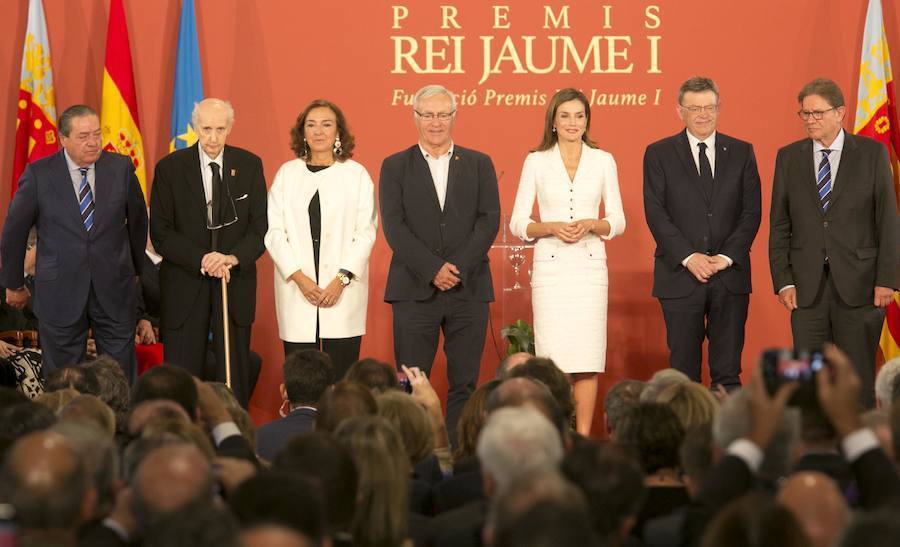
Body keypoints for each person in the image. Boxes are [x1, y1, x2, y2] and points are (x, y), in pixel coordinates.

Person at [379, 84, 500, 439]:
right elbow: (394, 225)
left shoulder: (479, 163)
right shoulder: (395, 165)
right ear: (415, 118)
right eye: (427, 114)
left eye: (442, 114)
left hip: (469, 288)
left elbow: (488, 220)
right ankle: (414, 453)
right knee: (409, 381)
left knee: (465, 381)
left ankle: (458, 451)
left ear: (454, 117)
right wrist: (433, 269)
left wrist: (455, 269)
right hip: (413, 290)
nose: (435, 122)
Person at [769, 78, 899, 408]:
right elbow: (780, 224)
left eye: (817, 113)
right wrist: (783, 281)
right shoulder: (788, 157)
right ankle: (811, 449)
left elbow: (887, 219)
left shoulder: (871, 153)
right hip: (806, 290)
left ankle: (860, 451)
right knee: (805, 382)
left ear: (840, 112)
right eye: (804, 114)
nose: (810, 120)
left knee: (857, 381)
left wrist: (887, 279)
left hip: (861, 286)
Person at [0, 104, 147, 380]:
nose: (93, 142)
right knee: (64, 379)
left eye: (96, 133)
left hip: (115, 289)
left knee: (119, 375)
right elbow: (14, 232)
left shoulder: (121, 168)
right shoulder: (39, 174)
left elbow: (138, 223)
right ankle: (68, 425)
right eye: (83, 136)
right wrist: (13, 283)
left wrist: (136, 270)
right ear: (63, 139)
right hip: (60, 291)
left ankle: (118, 424)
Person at [509, 87, 625, 436]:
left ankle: (583, 438)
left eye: (579, 115)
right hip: (552, 271)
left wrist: (594, 223)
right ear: (554, 122)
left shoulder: (603, 160)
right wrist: (550, 228)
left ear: (587, 120)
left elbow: (618, 220)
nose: (573, 122)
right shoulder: (536, 161)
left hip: (589, 272)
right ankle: (555, 434)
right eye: (565, 116)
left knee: (588, 361)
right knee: (553, 363)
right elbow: (518, 223)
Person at [643, 76, 762, 391]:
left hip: (730, 275)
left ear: (719, 108)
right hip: (679, 277)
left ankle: (728, 440)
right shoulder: (659, 154)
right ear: (679, 110)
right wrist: (689, 257)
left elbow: (752, 213)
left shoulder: (741, 152)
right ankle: (687, 440)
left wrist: (723, 258)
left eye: (709, 107)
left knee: (728, 375)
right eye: (694, 108)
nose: (703, 114)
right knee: (683, 378)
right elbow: (656, 213)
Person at [150, 98, 268, 407]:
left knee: (234, 376)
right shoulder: (170, 169)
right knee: (182, 380)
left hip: (234, 282)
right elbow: (161, 233)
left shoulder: (250, 165)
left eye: (219, 129)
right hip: (185, 283)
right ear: (194, 128)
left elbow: (260, 228)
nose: (213, 138)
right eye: (206, 129)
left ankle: (233, 436)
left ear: (230, 129)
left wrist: (231, 258)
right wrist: (202, 259)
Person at [265, 100, 377, 379]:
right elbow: (275, 233)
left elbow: (365, 232)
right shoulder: (287, 175)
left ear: (338, 132)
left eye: (327, 124)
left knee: (341, 380)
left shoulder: (356, 175)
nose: (319, 132)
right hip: (297, 292)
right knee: (302, 379)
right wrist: (300, 279)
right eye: (311, 125)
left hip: (341, 292)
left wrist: (340, 281)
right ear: (302, 132)